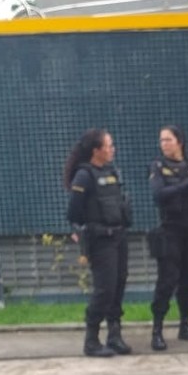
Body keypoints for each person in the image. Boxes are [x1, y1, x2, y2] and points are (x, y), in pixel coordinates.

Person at [64, 128, 133, 358]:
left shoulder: (112, 172)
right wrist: (82, 232)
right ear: (96, 151)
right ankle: (91, 340)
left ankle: (114, 335)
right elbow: (74, 212)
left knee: (118, 285)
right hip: (100, 239)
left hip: (118, 236)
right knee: (105, 289)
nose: (112, 149)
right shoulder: (84, 176)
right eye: (109, 145)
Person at [147, 125, 188, 351]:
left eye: (168, 140)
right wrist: (186, 186)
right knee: (167, 280)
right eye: (162, 140)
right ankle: (157, 329)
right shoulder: (158, 167)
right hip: (171, 229)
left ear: (179, 142)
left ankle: (185, 325)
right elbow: (159, 194)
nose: (164, 144)